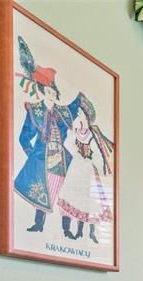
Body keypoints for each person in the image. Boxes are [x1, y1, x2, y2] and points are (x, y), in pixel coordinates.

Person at [12, 37, 81, 237]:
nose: (51, 95)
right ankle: (39, 224)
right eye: (48, 91)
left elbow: (73, 109)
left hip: (59, 155)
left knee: (56, 188)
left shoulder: (61, 112)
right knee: (41, 187)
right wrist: (32, 153)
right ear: (43, 91)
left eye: (53, 92)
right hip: (41, 154)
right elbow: (24, 137)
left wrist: (79, 99)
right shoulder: (35, 111)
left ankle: (64, 228)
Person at [56, 96, 115, 243]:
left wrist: (97, 167)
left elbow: (98, 154)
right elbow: (67, 144)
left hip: (87, 170)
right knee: (71, 196)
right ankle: (67, 230)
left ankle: (86, 232)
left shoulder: (91, 135)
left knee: (88, 201)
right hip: (75, 169)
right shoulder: (75, 132)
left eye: (81, 115)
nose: (79, 118)